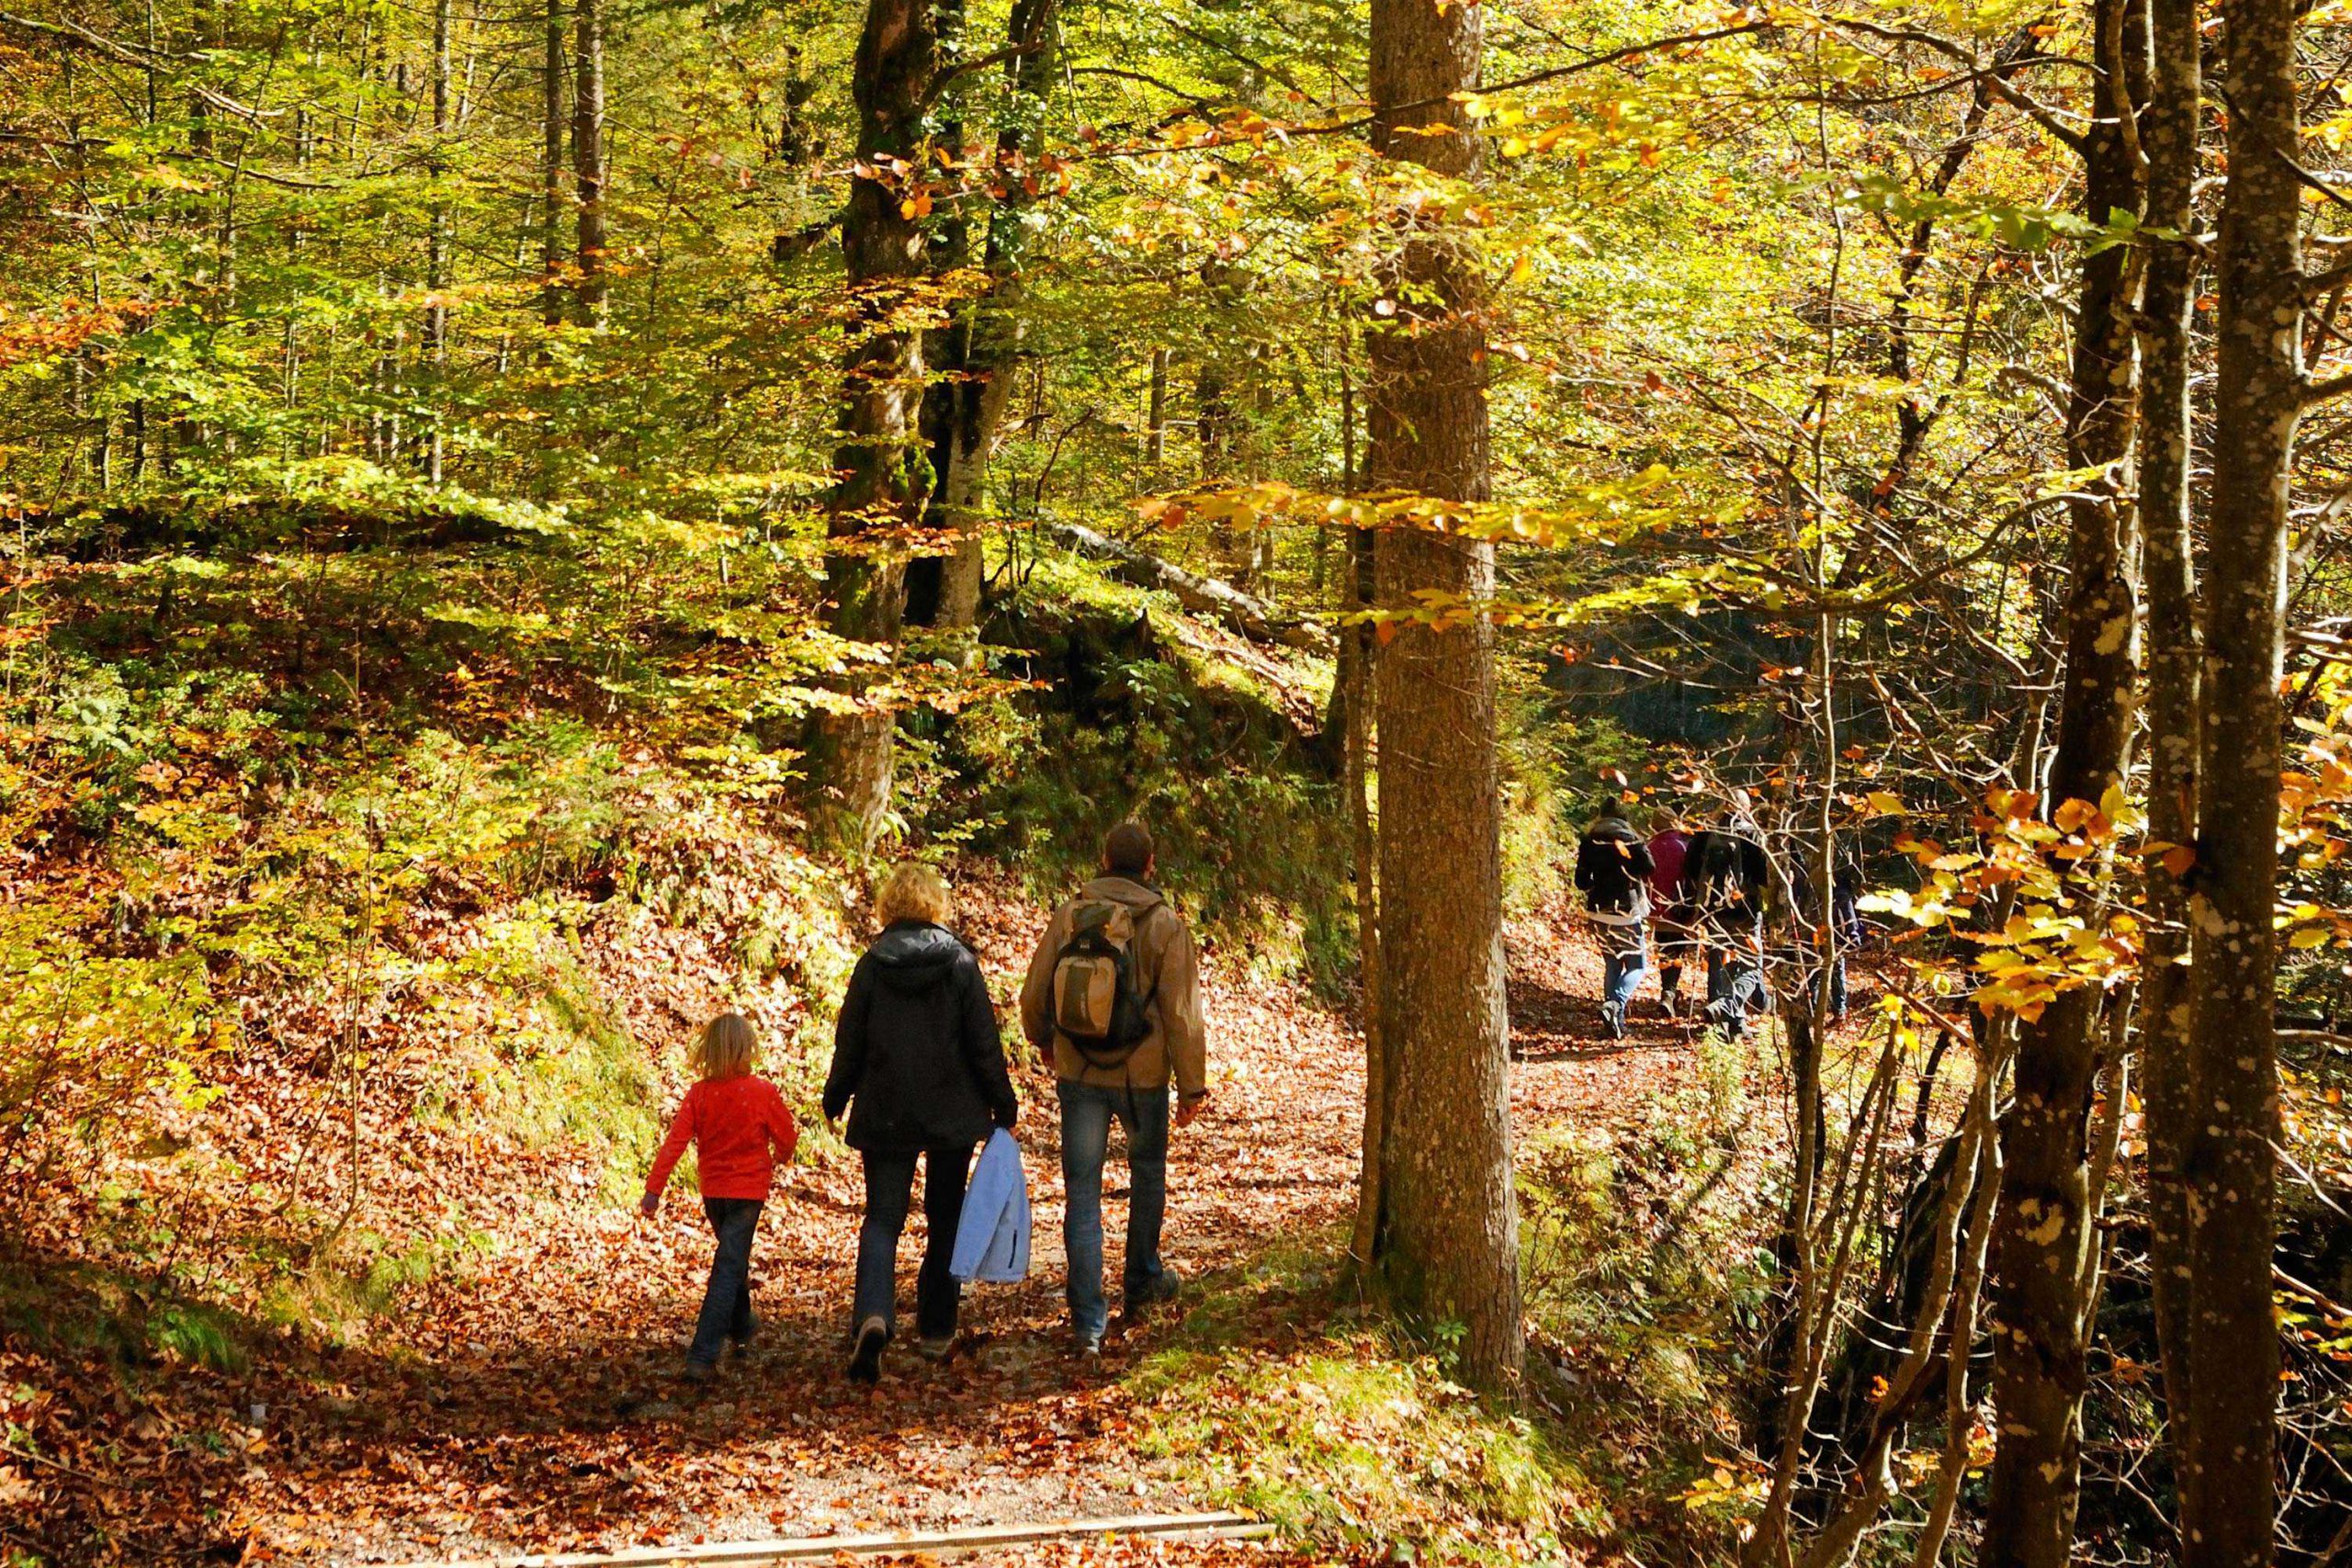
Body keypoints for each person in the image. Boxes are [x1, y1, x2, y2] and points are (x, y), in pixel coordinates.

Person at [825, 862, 1018, 1384]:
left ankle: (873, 1314)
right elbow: (983, 1041)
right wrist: (1003, 1102)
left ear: (890, 906)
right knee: (945, 1217)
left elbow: (852, 1039)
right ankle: (935, 1327)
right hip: (949, 1113)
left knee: (882, 1218)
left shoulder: (871, 965)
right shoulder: (958, 963)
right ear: (936, 905)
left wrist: (836, 1093)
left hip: (886, 1108)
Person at [1020, 821, 1206, 1356]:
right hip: (1142, 1077)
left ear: (1103, 858)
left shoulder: (1072, 914)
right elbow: (1182, 1011)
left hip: (1079, 1073)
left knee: (1083, 1191)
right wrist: (1192, 1087)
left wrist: (1044, 1039)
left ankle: (1087, 1324)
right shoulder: (1165, 923)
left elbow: (1035, 992)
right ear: (1150, 865)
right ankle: (1142, 1282)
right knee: (1147, 1175)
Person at [640, 1013, 800, 1383]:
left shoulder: (699, 1095)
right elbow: (787, 1135)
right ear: (747, 1049)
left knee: (732, 1259)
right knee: (729, 1266)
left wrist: (654, 1189)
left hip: (714, 1193)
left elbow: (675, 1143)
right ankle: (703, 1353)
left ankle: (742, 1326)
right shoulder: (762, 1092)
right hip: (747, 1194)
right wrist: (782, 1156)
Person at [1574, 805, 1655, 1039]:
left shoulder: (1590, 840)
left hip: (1598, 912)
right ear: (1624, 818)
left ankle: (1613, 1022)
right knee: (1637, 966)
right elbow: (1650, 868)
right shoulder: (1630, 839)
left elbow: (1581, 881)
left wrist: (1598, 885)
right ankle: (1616, 1004)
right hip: (1626, 912)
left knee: (1612, 965)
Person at [1685, 825, 1772, 1039]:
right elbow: (1764, 875)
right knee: (1752, 967)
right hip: (1745, 913)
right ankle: (1726, 1005)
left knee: (1723, 965)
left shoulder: (1706, 832)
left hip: (1714, 911)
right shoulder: (1750, 833)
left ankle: (1734, 1024)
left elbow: (1689, 866)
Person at [1645, 807, 1696, 1018]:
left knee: (1664, 950)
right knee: (1677, 952)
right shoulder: (1683, 847)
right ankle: (1669, 993)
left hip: (1656, 909)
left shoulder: (1650, 847)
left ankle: (1667, 992)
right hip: (1679, 909)